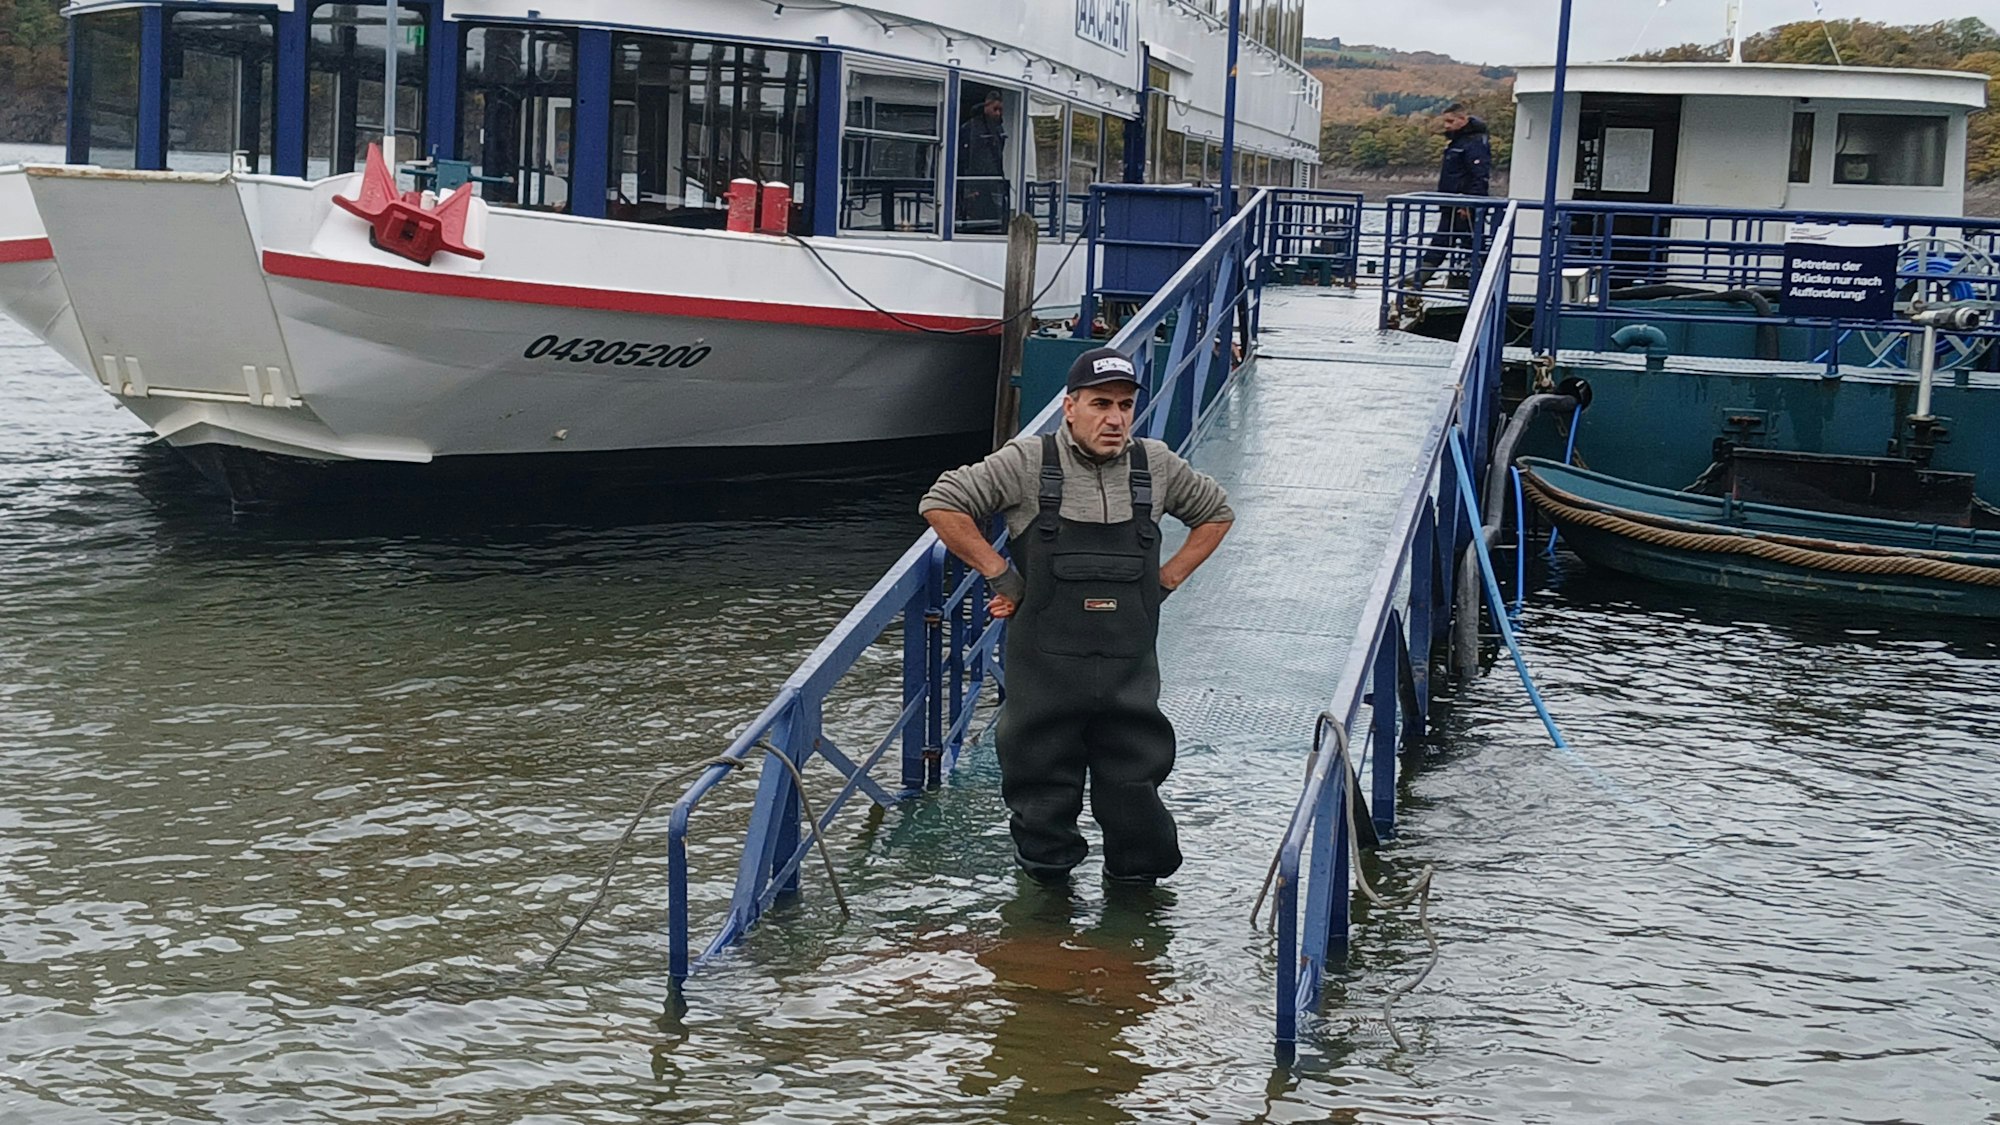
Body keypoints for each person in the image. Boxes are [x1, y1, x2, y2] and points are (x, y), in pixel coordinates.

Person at [920, 348, 1234, 884]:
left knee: (1135, 787)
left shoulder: (1155, 465)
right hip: (1044, 673)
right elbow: (942, 501)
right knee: (1041, 786)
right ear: (1070, 406)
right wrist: (1000, 575)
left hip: (1127, 672)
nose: (1114, 419)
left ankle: (1136, 898)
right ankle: (1045, 904)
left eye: (1126, 406)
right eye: (1100, 404)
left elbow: (1216, 513)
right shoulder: (1026, 463)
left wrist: (1167, 578)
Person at [1408, 103, 1492, 291]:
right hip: (1452, 203)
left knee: (1462, 241)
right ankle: (1420, 277)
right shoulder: (1460, 142)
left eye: (1450, 121)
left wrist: (1470, 204)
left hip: (1462, 205)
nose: (1446, 126)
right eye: (1445, 121)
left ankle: (1420, 277)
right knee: (1458, 241)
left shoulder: (1474, 142)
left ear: (1463, 119)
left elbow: (1480, 175)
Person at [958, 90, 1011, 231]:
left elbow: (997, 157)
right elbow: (965, 158)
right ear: (986, 107)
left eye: (1000, 110)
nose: (998, 113)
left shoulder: (998, 129)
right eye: (995, 109)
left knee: (992, 219)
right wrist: (970, 186)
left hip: (991, 181)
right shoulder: (970, 128)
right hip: (975, 182)